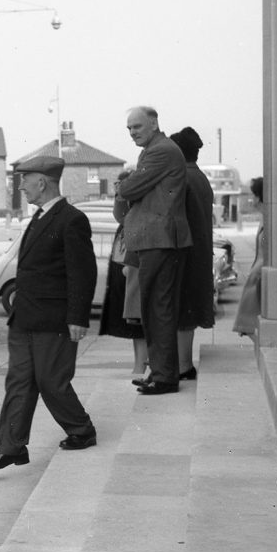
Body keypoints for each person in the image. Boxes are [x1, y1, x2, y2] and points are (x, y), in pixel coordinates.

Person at [0, 156, 97, 470]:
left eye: (24, 179)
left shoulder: (71, 219)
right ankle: (11, 447)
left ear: (41, 182)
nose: (21, 185)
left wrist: (77, 317)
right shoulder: (40, 217)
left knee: (51, 381)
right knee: (18, 382)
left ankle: (81, 429)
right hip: (26, 318)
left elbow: (83, 273)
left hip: (53, 319)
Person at [118, 106, 192, 395]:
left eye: (137, 126)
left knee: (157, 308)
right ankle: (161, 372)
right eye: (129, 128)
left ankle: (164, 376)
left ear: (154, 123)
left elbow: (129, 189)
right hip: (157, 240)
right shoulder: (156, 149)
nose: (133, 132)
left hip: (159, 241)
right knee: (155, 308)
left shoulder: (159, 151)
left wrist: (125, 184)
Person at [170, 127, 215, 380]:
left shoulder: (182, 178)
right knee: (186, 311)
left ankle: (183, 366)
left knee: (182, 311)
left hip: (185, 254)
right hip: (198, 253)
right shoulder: (199, 177)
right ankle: (183, 364)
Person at [99, 171, 148, 376]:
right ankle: (139, 362)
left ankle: (142, 363)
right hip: (122, 268)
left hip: (133, 270)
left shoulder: (141, 210)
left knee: (138, 322)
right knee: (132, 322)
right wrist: (120, 196)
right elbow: (119, 215)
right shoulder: (128, 214)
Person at [233, 177, 264, 339]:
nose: (252, 199)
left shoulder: (269, 220)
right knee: (249, 327)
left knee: (250, 327)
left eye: (254, 195)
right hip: (256, 278)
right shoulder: (264, 219)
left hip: (259, 278)